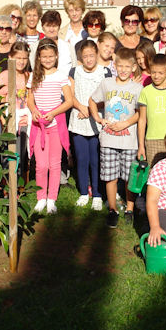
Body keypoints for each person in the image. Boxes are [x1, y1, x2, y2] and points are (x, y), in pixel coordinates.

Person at [89, 48, 142, 228]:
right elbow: (92, 101)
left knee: (129, 177)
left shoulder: (137, 88)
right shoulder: (107, 83)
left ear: (133, 67)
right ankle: (112, 210)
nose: (123, 70)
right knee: (110, 177)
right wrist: (98, 119)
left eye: (127, 67)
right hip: (109, 139)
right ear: (115, 66)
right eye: (120, 66)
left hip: (129, 141)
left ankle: (130, 209)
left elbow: (140, 113)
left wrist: (125, 123)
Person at [28, 40, 74, 214]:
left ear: (56, 56)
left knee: (54, 164)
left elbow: (69, 101)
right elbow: (30, 99)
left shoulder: (61, 75)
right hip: (38, 127)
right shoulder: (34, 76)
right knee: (41, 165)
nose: (47, 59)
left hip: (54, 126)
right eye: (44, 56)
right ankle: (41, 197)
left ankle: (51, 199)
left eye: (51, 56)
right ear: (39, 58)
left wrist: (53, 113)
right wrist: (34, 111)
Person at [68, 40, 111, 210]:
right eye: (85, 56)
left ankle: (98, 194)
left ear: (97, 54)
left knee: (96, 159)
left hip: (98, 121)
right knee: (82, 159)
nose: (88, 59)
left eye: (91, 55)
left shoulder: (104, 72)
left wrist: (92, 109)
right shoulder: (75, 71)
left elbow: (108, 97)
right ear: (81, 57)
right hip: (79, 119)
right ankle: (84, 192)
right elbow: (70, 95)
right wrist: (81, 107)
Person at [0, 42, 33, 183]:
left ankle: (18, 184)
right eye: (18, 58)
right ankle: (8, 185)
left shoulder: (28, 75)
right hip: (9, 120)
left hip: (24, 121)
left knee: (20, 153)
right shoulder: (4, 76)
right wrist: (4, 121)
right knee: (8, 153)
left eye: (24, 58)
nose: (21, 61)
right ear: (10, 57)